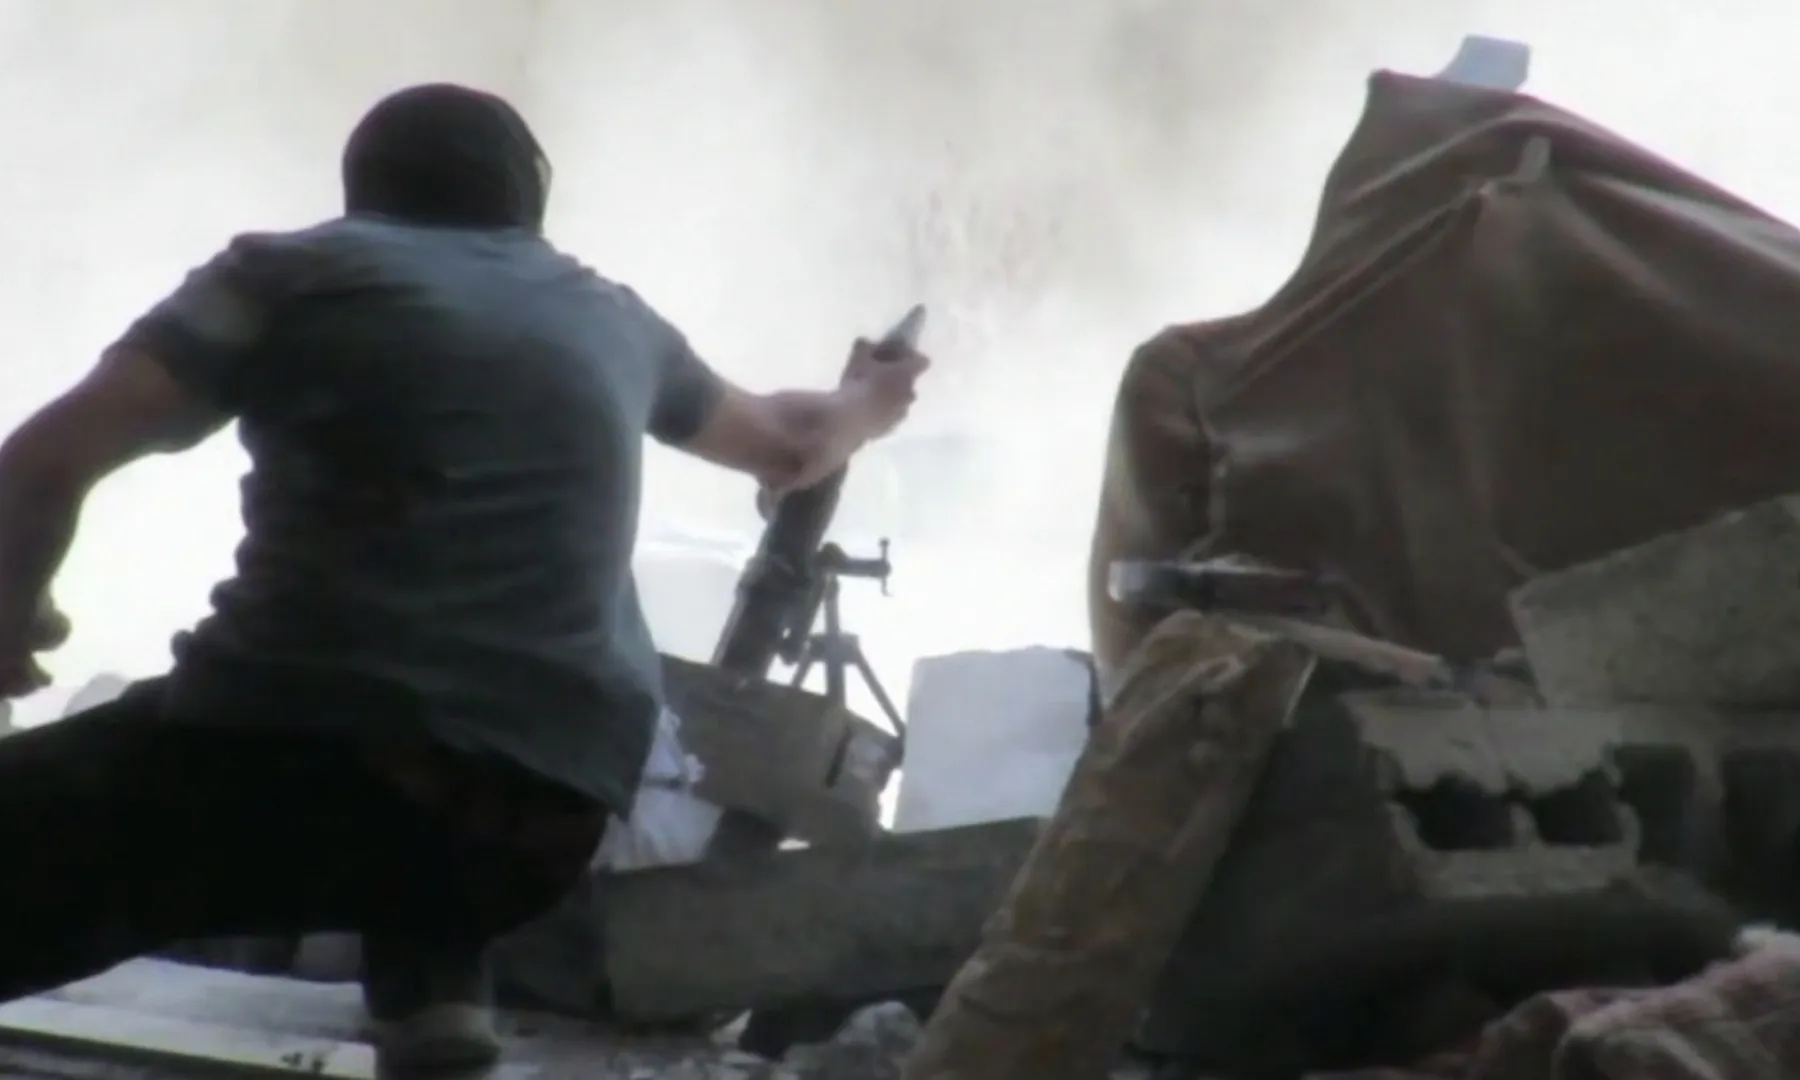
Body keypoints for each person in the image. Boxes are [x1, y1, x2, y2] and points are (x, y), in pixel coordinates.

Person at [0, 83, 927, 1070]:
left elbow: (46, 461)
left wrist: (13, 622)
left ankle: (425, 967)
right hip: (540, 822)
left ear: (361, 191)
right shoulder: (611, 316)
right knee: (443, 739)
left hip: (294, 771)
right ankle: (433, 989)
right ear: (529, 201)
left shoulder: (285, 275)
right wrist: (868, 400)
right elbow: (793, 444)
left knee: (168, 789)